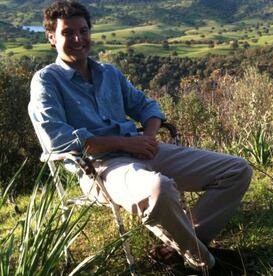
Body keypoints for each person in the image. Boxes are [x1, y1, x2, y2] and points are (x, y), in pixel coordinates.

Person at [28, 0, 252, 273]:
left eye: (83, 30)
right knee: (159, 189)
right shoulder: (46, 81)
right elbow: (57, 140)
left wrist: (146, 138)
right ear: (51, 37)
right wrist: (125, 142)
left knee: (236, 170)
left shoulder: (108, 73)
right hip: (98, 168)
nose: (78, 39)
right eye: (67, 33)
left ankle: (179, 247)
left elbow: (148, 108)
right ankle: (206, 264)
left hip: (141, 151)